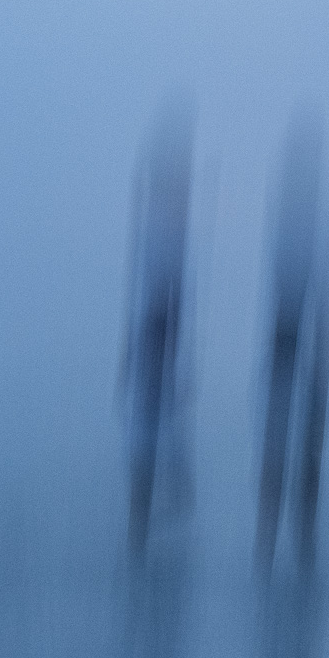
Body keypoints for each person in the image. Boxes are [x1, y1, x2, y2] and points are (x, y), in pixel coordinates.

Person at [255, 105, 329, 575]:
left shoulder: (290, 210)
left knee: (283, 443)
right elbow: (317, 290)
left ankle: (275, 543)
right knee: (298, 446)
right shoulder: (305, 213)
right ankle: (294, 542)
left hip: (286, 344)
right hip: (295, 344)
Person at [120, 104, 196, 558]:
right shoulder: (161, 222)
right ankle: (153, 506)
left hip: (158, 326)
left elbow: (164, 290)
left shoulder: (166, 223)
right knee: (155, 418)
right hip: (155, 326)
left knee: (153, 419)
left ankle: (145, 514)